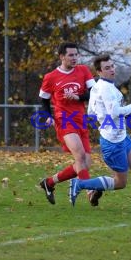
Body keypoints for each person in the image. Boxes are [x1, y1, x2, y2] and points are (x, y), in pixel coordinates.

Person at [66, 54, 131, 214]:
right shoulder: (106, 88)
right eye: (107, 68)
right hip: (113, 142)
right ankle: (80, 184)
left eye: (112, 66)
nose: (112, 70)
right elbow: (114, 112)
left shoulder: (99, 86)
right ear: (99, 72)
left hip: (121, 137)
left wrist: (109, 117)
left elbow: (92, 112)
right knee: (120, 182)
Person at [38, 42, 98, 205]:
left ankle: (49, 182)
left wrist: (78, 97)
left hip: (80, 119)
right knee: (79, 156)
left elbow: (94, 93)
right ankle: (90, 190)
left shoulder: (83, 71)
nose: (74, 58)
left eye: (76, 54)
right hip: (64, 120)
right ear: (61, 56)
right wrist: (48, 116)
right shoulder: (51, 77)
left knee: (85, 163)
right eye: (70, 55)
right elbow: (44, 100)